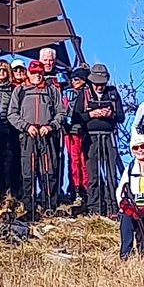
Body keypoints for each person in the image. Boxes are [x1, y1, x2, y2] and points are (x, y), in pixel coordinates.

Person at [8, 60, 66, 220]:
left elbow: (61, 113)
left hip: (47, 135)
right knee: (29, 171)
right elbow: (12, 114)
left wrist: (51, 126)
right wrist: (26, 127)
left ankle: (50, 205)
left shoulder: (51, 90)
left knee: (48, 170)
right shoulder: (20, 90)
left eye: (39, 72)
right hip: (28, 136)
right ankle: (30, 207)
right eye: (34, 73)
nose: (37, 76)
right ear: (28, 73)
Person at [73, 63, 126, 216]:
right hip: (90, 138)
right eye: (96, 84)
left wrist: (111, 115)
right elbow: (75, 118)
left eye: (102, 84)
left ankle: (112, 208)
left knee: (111, 174)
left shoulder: (113, 94)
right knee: (93, 174)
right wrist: (91, 114)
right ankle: (94, 209)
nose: (99, 87)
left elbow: (121, 117)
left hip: (109, 137)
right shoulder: (84, 95)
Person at [0, 59, 22, 199]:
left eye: (4, 69)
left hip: (10, 126)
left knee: (11, 159)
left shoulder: (13, 88)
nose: (2, 72)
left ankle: (11, 192)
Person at [63, 67, 90, 206]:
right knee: (74, 160)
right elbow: (64, 109)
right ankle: (75, 188)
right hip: (70, 131)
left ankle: (85, 188)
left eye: (77, 79)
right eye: (73, 79)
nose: (74, 82)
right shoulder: (68, 93)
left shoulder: (88, 93)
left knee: (83, 161)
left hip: (84, 131)